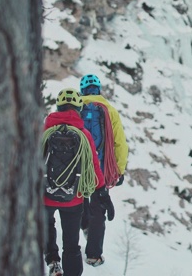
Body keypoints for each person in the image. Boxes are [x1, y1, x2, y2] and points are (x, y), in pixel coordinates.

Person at [42, 88, 109, 276]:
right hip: (74, 198)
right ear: (78, 108)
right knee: (71, 244)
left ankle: (53, 262)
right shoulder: (83, 134)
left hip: (45, 196)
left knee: (48, 228)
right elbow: (94, 169)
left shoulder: (45, 131)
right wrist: (102, 192)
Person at [79, 74, 129, 267]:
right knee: (98, 210)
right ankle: (94, 255)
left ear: (83, 90)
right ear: (98, 89)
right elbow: (120, 143)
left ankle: (82, 228)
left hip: (77, 169)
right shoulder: (109, 110)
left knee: (78, 202)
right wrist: (120, 169)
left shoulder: (76, 108)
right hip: (100, 170)